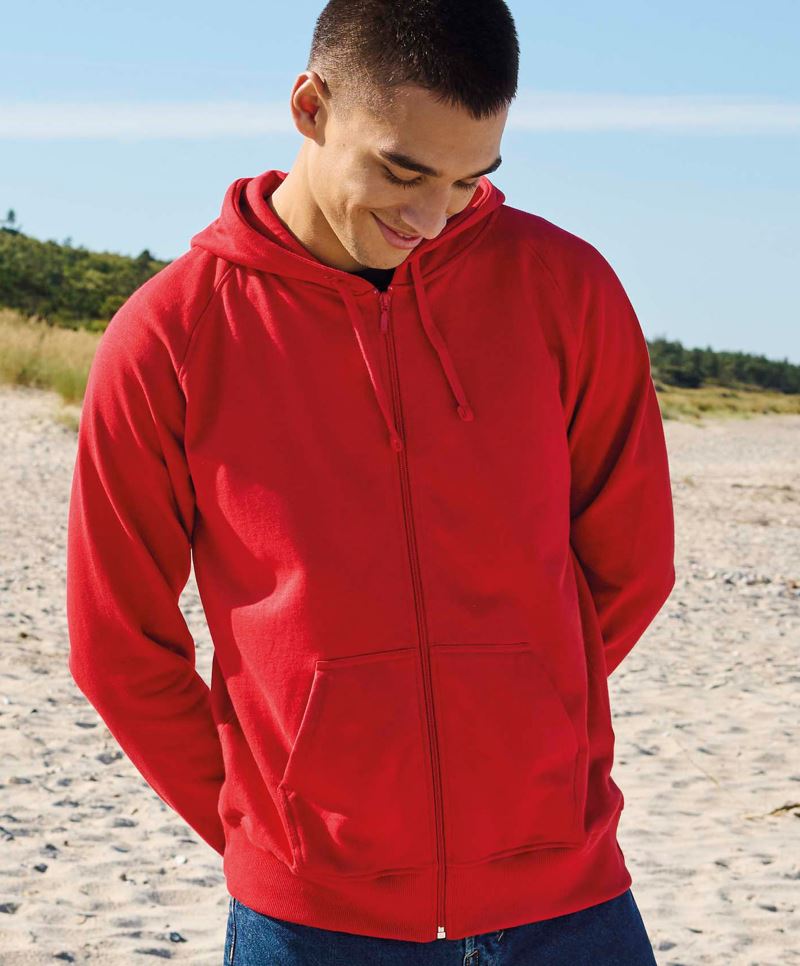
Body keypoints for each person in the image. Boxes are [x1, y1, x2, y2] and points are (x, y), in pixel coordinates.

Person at [65, 0, 675, 962]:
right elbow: (117, 643)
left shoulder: (565, 288)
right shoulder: (170, 336)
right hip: (311, 920)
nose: (431, 218)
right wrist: (270, 830)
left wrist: (524, 725)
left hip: (566, 896)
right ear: (310, 107)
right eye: (403, 170)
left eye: (470, 180)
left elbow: (632, 561)